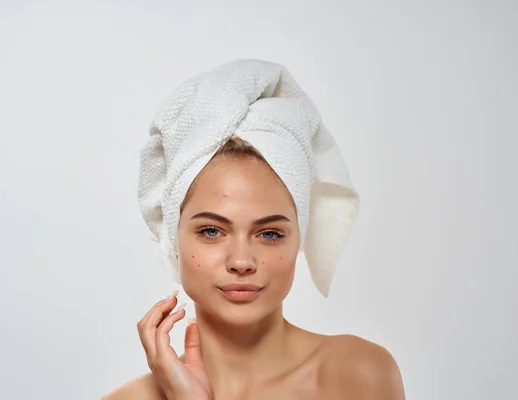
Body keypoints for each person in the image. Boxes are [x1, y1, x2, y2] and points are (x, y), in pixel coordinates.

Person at [103, 60, 405, 399]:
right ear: (173, 237)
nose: (242, 261)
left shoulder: (356, 374)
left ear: (298, 238)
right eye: (212, 231)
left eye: (270, 234)